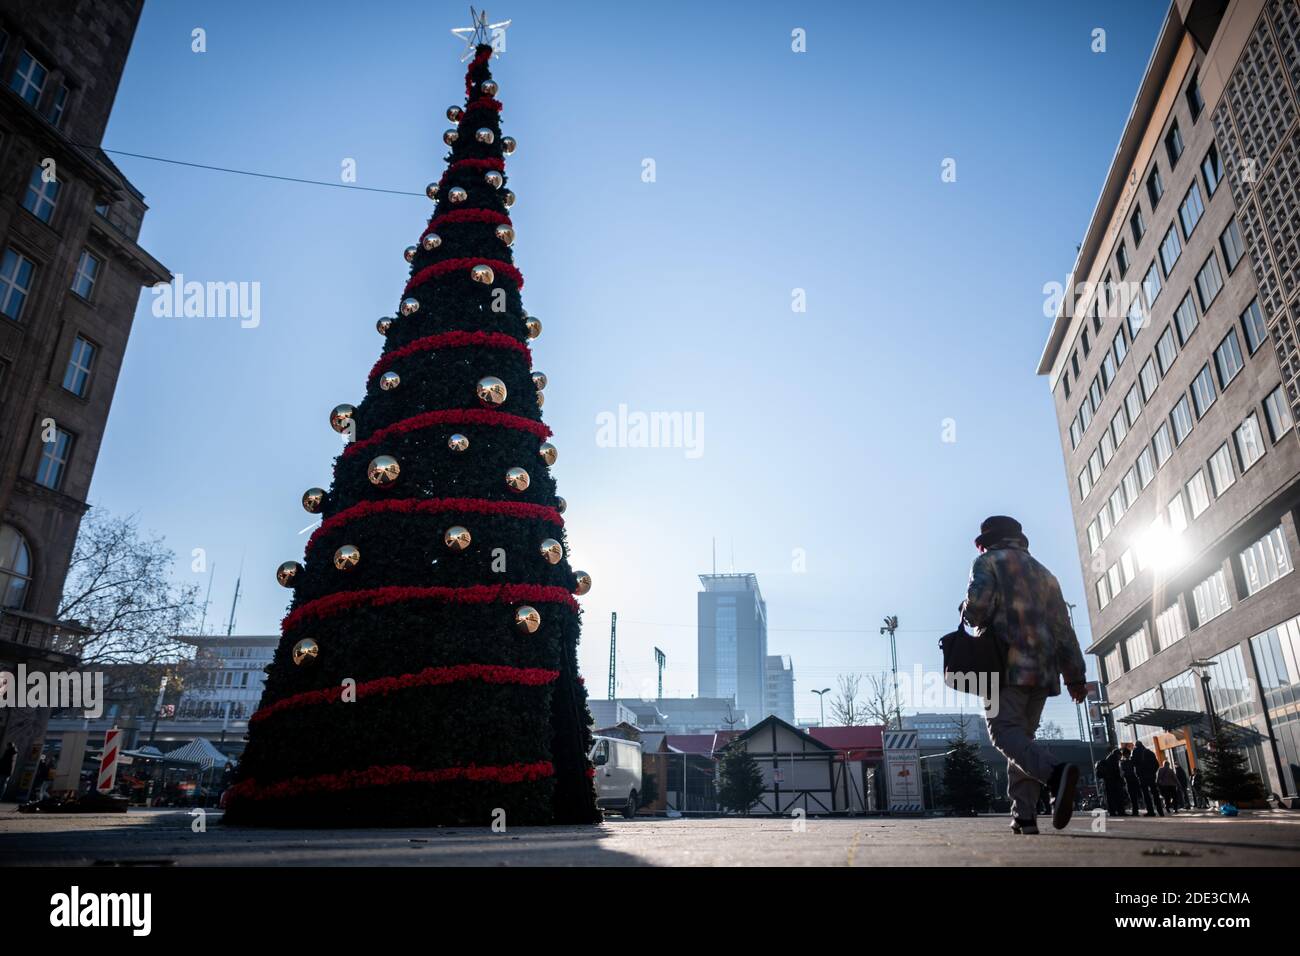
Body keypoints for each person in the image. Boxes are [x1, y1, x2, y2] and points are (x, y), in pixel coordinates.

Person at [961, 515, 1088, 835]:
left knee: (1003, 733)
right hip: (1043, 672)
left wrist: (964, 610)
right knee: (1022, 741)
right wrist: (1075, 675)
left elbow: (977, 606)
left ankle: (1056, 774)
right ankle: (1025, 817)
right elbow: (1063, 628)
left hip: (1001, 666)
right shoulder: (1045, 574)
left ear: (987, 540)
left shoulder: (988, 562)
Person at [1132, 740, 1163, 816]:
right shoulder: (1149, 752)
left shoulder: (1135, 752)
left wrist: (1139, 773)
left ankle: (1151, 811)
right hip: (1151, 777)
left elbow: (1133, 763)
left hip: (1142, 777)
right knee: (1155, 793)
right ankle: (1160, 811)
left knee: (1146, 795)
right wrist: (1152, 773)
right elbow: (1156, 764)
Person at [1098, 747, 1128, 816]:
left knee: (1110, 798)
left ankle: (1112, 812)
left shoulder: (1108, 759)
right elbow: (1116, 772)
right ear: (1117, 754)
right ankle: (1120, 811)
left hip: (1108, 782)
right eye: (1120, 756)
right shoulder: (1114, 760)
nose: (1120, 758)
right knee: (1118, 797)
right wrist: (1121, 781)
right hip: (1113, 782)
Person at [1120, 749, 1143, 816]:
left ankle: (1135, 811)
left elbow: (1122, 773)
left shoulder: (1122, 763)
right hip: (1133, 779)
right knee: (1134, 796)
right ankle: (1135, 810)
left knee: (1132, 796)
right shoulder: (1132, 761)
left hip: (1128, 780)